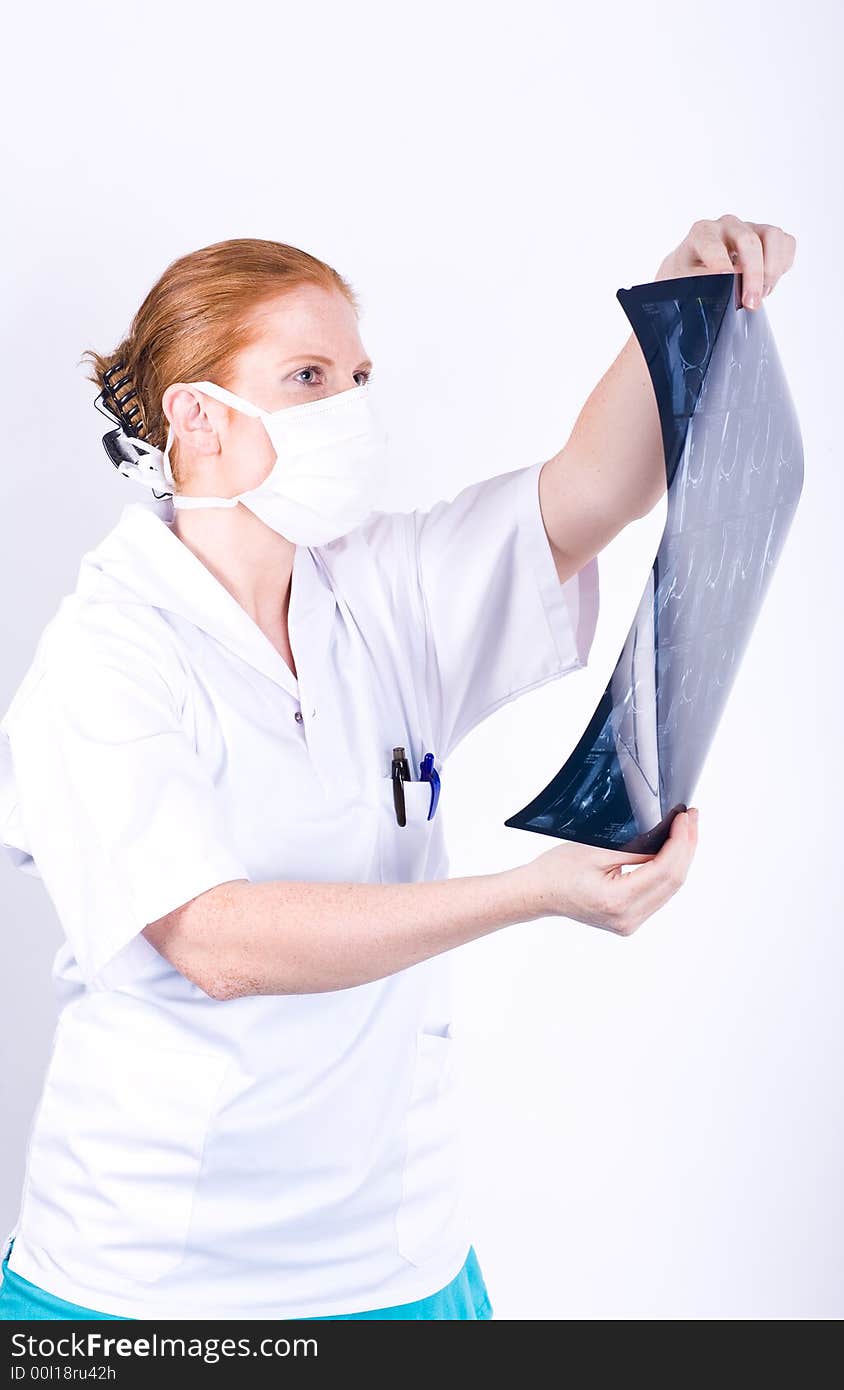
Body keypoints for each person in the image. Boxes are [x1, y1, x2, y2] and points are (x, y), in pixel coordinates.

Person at [0, 230, 731, 1321]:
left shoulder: (379, 590)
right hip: (154, 1282)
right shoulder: (107, 651)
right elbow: (217, 941)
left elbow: (594, 493)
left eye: (357, 380)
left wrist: (683, 307)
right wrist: (532, 892)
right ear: (196, 417)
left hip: (398, 1260)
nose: (349, 410)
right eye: (307, 378)